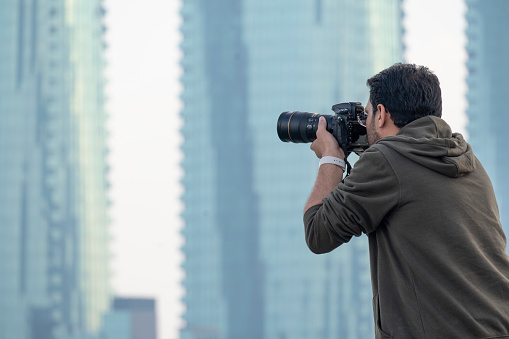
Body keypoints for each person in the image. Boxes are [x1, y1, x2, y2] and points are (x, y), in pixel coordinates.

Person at [303, 63, 509, 339]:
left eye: (366, 114)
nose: (363, 124)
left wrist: (331, 159)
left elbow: (318, 233)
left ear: (381, 114)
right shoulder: (466, 159)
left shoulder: (386, 162)